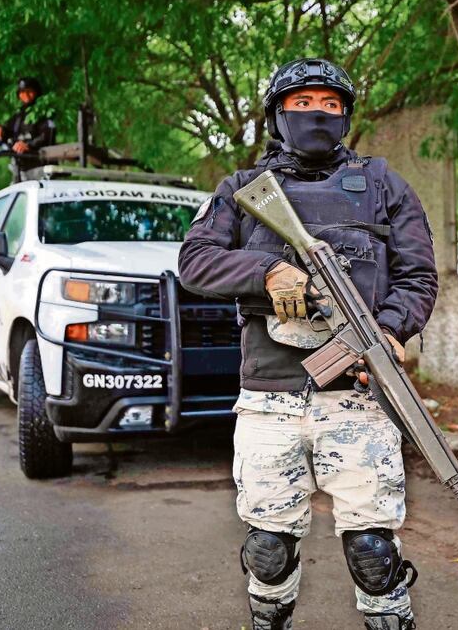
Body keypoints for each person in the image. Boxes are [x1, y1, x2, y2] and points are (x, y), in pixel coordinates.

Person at [178, 58, 438, 630]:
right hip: (268, 397)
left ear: (345, 116)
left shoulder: (383, 185)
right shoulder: (242, 190)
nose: (316, 113)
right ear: (278, 114)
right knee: (268, 550)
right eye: (301, 103)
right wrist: (267, 272)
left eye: (329, 104)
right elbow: (194, 261)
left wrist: (390, 329)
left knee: (373, 553)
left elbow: (419, 276)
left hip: (359, 398)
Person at [0, 77, 56, 171]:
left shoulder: (45, 113)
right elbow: (7, 130)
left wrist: (28, 145)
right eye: (22, 92)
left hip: (41, 166)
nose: (26, 95)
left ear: (36, 92)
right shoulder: (19, 115)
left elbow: (46, 137)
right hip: (21, 167)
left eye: (29, 91)